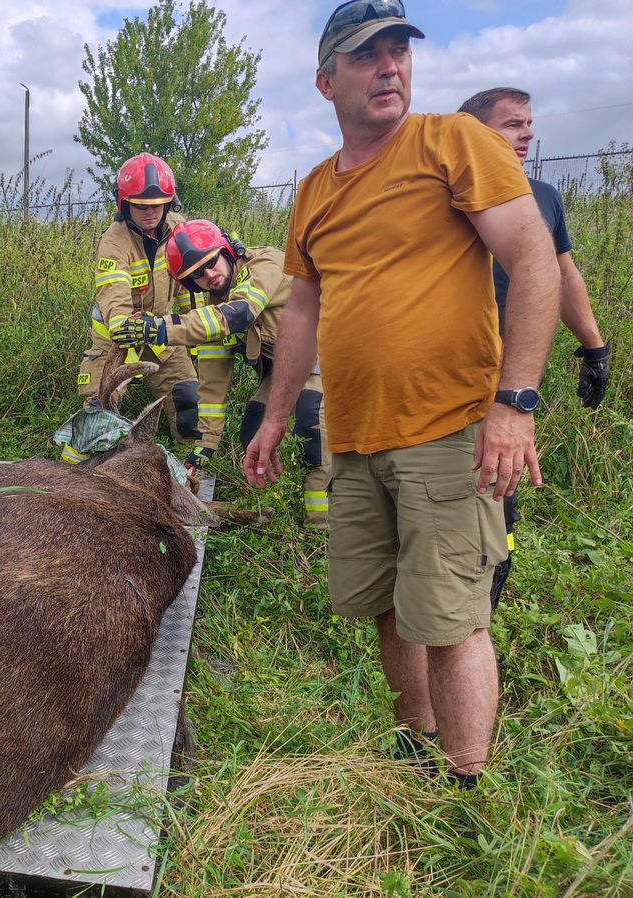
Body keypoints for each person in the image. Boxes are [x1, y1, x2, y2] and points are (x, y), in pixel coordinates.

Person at [243, 2, 560, 787]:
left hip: (447, 427)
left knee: (453, 619)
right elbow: (305, 309)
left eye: (397, 51)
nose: (389, 66)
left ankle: (466, 786)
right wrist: (277, 416)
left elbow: (534, 257)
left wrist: (515, 403)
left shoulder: (453, 142)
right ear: (326, 81)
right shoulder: (315, 189)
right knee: (389, 605)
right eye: (365, 56)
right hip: (352, 436)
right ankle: (415, 751)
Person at [459, 86, 612, 607]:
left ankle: (491, 586)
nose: (527, 134)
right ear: (473, 131)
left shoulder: (543, 196)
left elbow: (562, 272)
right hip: (454, 369)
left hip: (514, 369)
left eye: (529, 124)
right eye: (512, 124)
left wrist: (595, 347)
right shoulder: (447, 193)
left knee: (502, 486)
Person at [112, 219, 330, 525]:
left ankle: (321, 530)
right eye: (197, 275)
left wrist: (161, 328)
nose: (209, 275)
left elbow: (240, 314)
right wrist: (203, 449)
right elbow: (213, 389)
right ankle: (277, 510)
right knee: (252, 432)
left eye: (211, 262)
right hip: (282, 373)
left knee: (311, 429)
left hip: (326, 356)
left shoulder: (265, 263)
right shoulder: (215, 309)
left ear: (227, 250)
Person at [63, 153, 202, 465]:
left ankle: (187, 473)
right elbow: (114, 295)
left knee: (190, 407)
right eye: (141, 205)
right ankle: (72, 476)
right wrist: (124, 326)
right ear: (124, 205)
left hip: (163, 337)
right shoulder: (114, 242)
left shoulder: (180, 231)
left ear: (170, 202)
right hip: (115, 341)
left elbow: (191, 289)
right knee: (97, 416)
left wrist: (195, 334)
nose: (150, 211)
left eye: (157, 203)